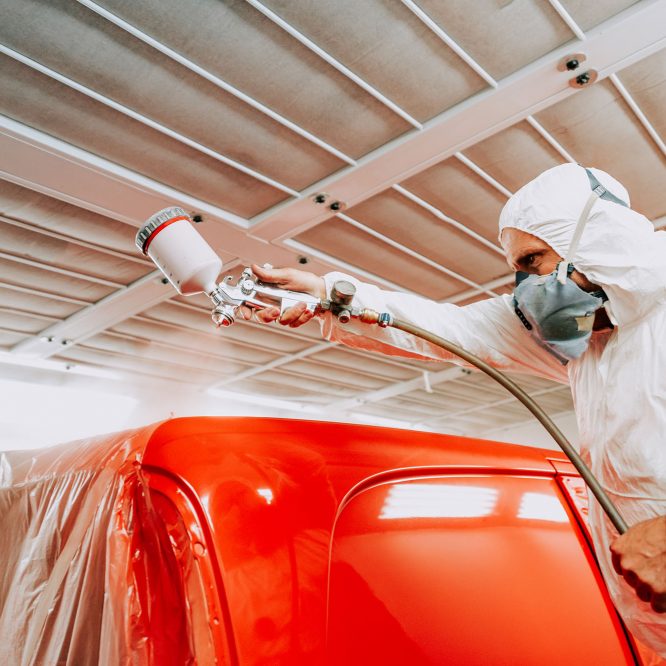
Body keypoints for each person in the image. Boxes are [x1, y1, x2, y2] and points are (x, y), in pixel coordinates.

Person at [242, 163, 666, 655]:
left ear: (592, 239)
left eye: (534, 261)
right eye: (520, 272)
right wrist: (328, 296)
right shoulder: (591, 336)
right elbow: (450, 329)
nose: (526, 290)